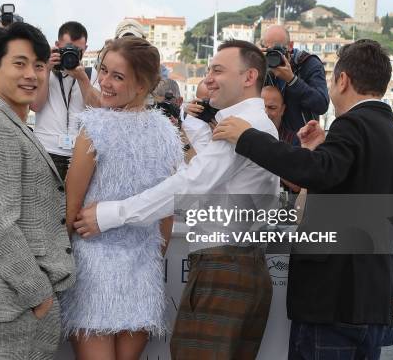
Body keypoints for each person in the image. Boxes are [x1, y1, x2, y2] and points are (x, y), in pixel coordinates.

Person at [74, 40, 280, 359]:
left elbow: (191, 183)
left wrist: (110, 214)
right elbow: (208, 172)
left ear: (249, 77)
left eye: (218, 70)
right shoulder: (244, 125)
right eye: (209, 69)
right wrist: (197, 126)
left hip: (223, 267)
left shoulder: (246, 127)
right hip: (237, 264)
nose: (208, 78)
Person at [213, 39, 393, 359]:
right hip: (371, 307)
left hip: (331, 304)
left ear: (343, 80)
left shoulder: (352, 125)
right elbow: (338, 185)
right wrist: (317, 153)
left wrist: (247, 137)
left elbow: (316, 172)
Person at [0, 22, 75, 360]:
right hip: (13, 304)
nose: (31, 74)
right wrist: (39, 297)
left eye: (38, 65)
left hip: (13, 301)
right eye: (19, 64)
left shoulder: (8, 121)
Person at [60, 37, 183, 360]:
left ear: (142, 84)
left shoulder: (94, 128)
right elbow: (165, 218)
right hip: (140, 269)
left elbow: (70, 208)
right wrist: (151, 258)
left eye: (117, 76)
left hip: (95, 271)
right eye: (103, 71)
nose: (105, 82)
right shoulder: (168, 134)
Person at [31, 21, 100, 180]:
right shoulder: (42, 69)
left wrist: (82, 79)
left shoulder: (90, 74)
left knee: (73, 204)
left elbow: (97, 111)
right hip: (45, 149)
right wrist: (46, 70)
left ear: (85, 49)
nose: (72, 54)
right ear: (57, 45)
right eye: (68, 49)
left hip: (79, 154)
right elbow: (35, 106)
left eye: (78, 51)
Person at [261, 25, 329, 134]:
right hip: (270, 136)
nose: (272, 55)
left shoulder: (308, 64)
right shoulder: (263, 66)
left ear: (290, 46)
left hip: (303, 140)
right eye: (268, 49)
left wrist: (292, 80)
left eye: (277, 49)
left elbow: (321, 105)